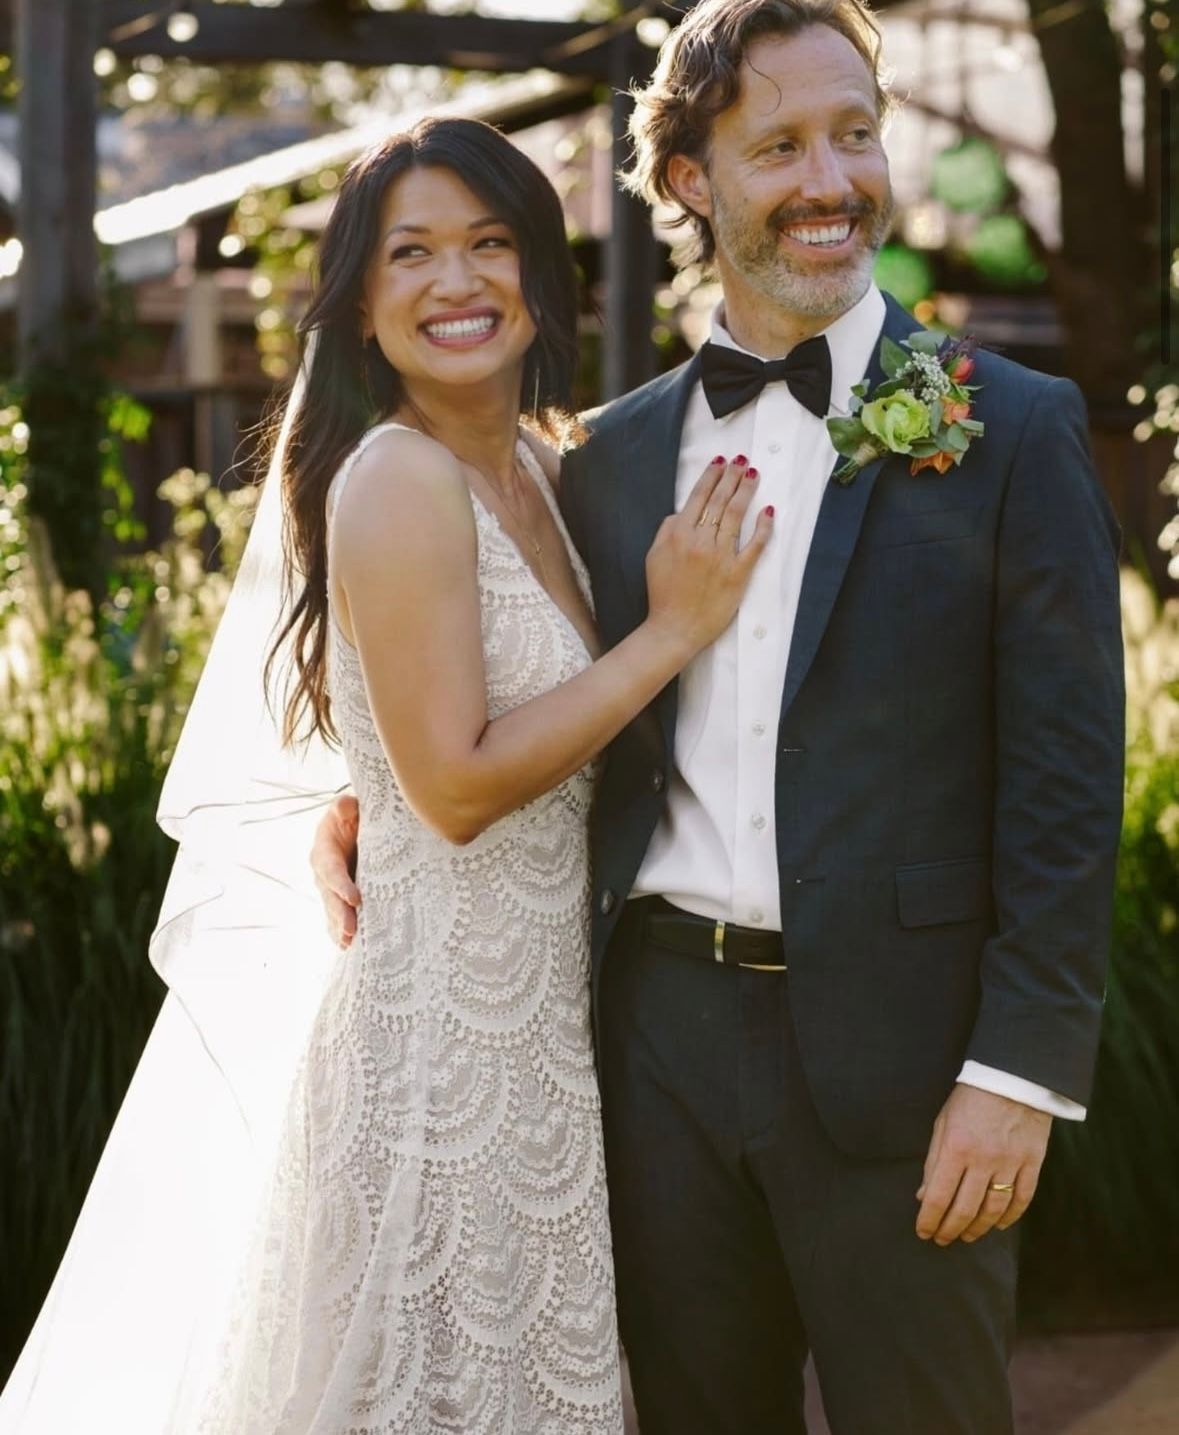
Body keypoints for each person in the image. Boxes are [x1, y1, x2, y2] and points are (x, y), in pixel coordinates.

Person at [314, 4, 1126, 1433]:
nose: (833, 182)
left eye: (855, 133)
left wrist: (1021, 1073)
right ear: (690, 178)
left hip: (914, 1054)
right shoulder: (609, 460)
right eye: (781, 147)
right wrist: (358, 805)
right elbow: (502, 695)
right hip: (649, 1053)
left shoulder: (1013, 426)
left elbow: (1068, 786)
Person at [0, 119, 772, 1435]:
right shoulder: (400, 479)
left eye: (488, 243)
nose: (455, 283)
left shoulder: (540, 464)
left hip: (546, 1045)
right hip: (438, 1060)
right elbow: (460, 790)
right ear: (360, 301)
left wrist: (359, 794)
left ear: (539, 273)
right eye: (410, 253)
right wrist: (669, 633)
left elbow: (463, 742)